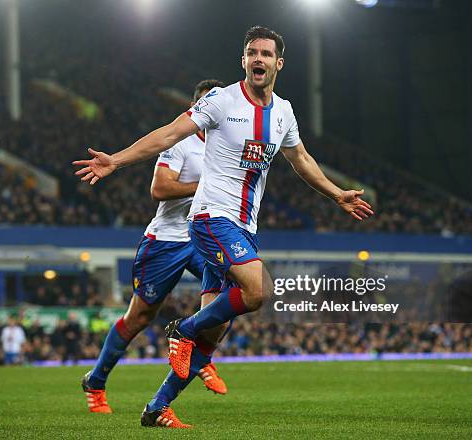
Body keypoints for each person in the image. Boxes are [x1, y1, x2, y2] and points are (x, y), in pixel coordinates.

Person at [73, 26, 374, 428]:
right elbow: (168, 134)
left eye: (267, 53)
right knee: (258, 289)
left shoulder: (283, 112)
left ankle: (157, 406)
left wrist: (336, 194)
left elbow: (300, 157)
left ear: (279, 63)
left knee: (214, 335)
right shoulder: (220, 100)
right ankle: (178, 332)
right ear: (243, 60)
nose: (259, 59)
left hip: (244, 226)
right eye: (252, 52)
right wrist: (117, 160)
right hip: (211, 219)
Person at [80, 79, 230, 415]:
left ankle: (198, 353)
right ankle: (96, 381)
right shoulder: (181, 141)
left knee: (236, 292)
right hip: (167, 240)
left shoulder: (228, 145)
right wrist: (206, 186)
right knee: (139, 317)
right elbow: (160, 189)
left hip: (204, 237)